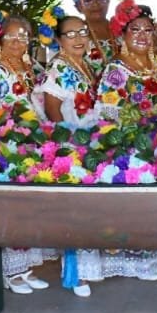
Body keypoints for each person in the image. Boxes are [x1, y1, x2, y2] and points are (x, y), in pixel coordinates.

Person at [92, 0, 157, 283]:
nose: (142, 36)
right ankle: (135, 262)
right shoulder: (116, 71)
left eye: (148, 30)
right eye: (135, 30)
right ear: (122, 34)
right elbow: (107, 115)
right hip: (132, 149)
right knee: (139, 207)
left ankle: (155, 256)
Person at [0, 13, 55, 295]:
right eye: (12, 36)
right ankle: (11, 271)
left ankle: (25, 268)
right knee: (12, 206)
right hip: (6, 145)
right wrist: (8, 127)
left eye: (24, 36)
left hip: (33, 142)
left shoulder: (30, 65)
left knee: (31, 207)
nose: (19, 41)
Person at [31, 15, 99, 297]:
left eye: (83, 32)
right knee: (76, 210)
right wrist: (66, 145)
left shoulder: (86, 65)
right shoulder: (58, 67)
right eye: (71, 34)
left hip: (88, 141)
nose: (79, 38)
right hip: (70, 145)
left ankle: (88, 269)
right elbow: (52, 109)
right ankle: (75, 274)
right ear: (58, 40)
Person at [73, 0, 117, 74]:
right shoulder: (73, 36)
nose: (96, 4)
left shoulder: (124, 30)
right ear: (79, 7)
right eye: (88, 0)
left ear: (108, 2)